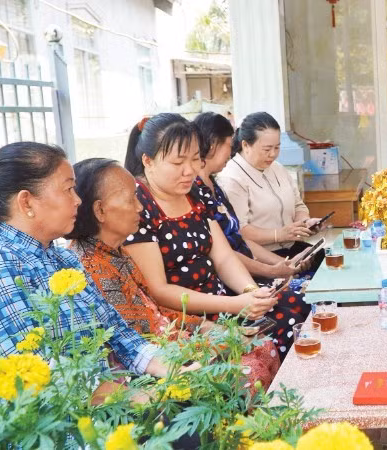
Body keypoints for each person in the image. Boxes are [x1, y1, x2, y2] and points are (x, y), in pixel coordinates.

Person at [0, 142, 192, 390]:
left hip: (109, 399)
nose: (78, 200)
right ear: (27, 202)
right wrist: (135, 397)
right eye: (68, 189)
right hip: (70, 409)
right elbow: (34, 377)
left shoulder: (63, 259)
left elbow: (119, 335)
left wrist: (177, 370)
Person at [67, 158, 280, 389]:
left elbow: (158, 311)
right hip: (157, 369)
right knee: (252, 364)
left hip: (174, 343)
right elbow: (139, 340)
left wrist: (214, 329)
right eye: (131, 199)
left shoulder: (114, 252)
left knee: (262, 344)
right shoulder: (91, 267)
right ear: (100, 210)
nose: (140, 207)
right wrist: (219, 342)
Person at [122, 113, 300, 359]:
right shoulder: (138, 206)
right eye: (178, 162)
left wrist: (250, 291)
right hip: (186, 319)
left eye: (195, 159)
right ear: (148, 161)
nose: (189, 171)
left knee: (299, 306)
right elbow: (159, 290)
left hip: (223, 300)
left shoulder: (194, 193)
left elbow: (224, 256)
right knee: (284, 329)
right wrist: (237, 304)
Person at [191, 112, 310, 318]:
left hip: (251, 269)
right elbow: (230, 248)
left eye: (277, 148)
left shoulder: (213, 186)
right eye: (230, 145)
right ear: (212, 145)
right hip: (238, 277)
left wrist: (280, 266)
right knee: (299, 306)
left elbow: (237, 240)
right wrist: (272, 270)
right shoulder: (216, 184)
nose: (231, 152)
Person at [217, 112, 325, 266]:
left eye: (277, 147)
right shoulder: (232, 178)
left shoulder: (278, 169)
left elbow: (298, 205)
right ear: (245, 145)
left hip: (291, 247)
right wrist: (278, 235)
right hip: (260, 258)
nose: (273, 154)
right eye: (267, 149)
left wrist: (305, 223)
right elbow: (239, 231)